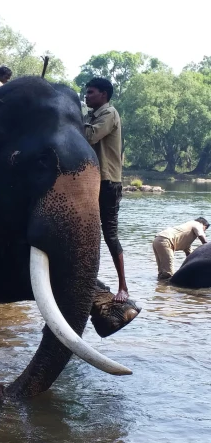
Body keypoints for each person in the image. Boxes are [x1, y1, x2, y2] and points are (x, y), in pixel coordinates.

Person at [84, 77, 129, 302]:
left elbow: (90, 136)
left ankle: (123, 287)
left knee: (110, 234)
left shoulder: (109, 114)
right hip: (92, 181)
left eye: (91, 92)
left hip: (108, 182)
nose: (87, 96)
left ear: (103, 94)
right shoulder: (91, 115)